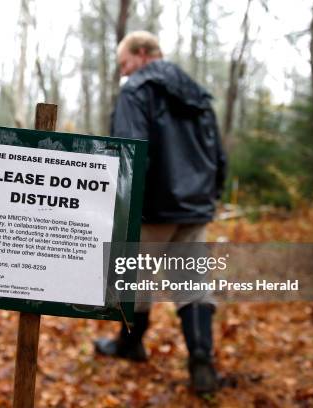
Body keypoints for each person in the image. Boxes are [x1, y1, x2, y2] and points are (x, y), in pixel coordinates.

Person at [94, 31, 227, 394]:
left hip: (153, 207)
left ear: (140, 54)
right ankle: (202, 362)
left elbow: (131, 151)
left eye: (124, 64)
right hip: (194, 206)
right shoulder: (198, 93)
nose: (123, 72)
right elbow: (218, 153)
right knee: (193, 285)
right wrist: (210, 195)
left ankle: (130, 343)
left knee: (130, 277)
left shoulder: (136, 90)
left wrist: (124, 204)